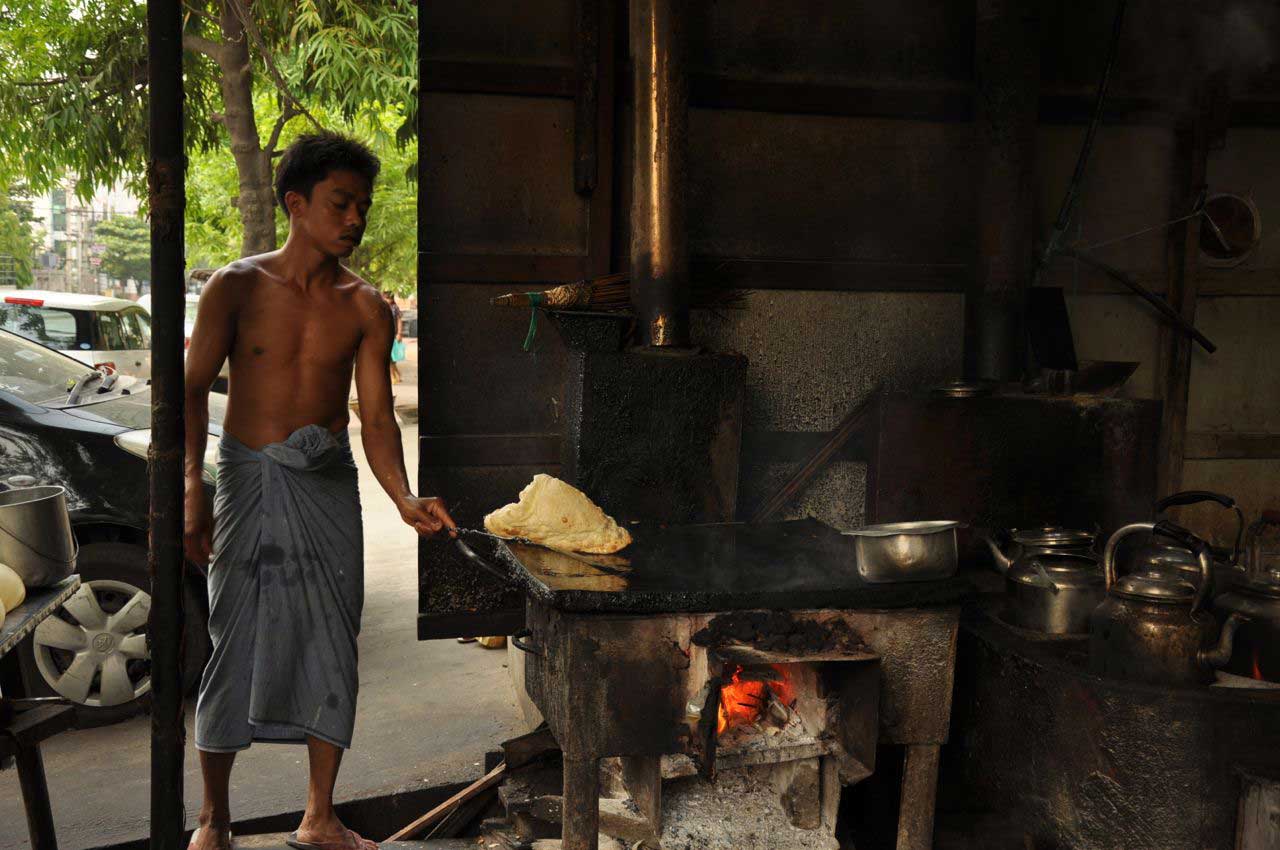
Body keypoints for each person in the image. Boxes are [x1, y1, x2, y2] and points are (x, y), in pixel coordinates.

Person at [183, 132, 456, 850]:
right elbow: (185, 393)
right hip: (246, 480)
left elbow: (374, 418)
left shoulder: (368, 307)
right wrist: (191, 486)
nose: (355, 219)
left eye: (363, 206)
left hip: (327, 485)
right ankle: (213, 818)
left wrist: (401, 496)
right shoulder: (235, 286)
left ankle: (319, 817)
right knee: (232, 641)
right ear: (296, 204)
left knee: (334, 638)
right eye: (341, 203)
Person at [383, 290, 404, 384]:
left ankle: (393, 377)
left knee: (391, 358)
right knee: (389, 358)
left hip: (393, 335)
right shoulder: (381, 307)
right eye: (386, 298)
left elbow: (399, 320)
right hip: (384, 335)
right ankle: (397, 375)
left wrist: (399, 333)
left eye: (389, 298)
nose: (388, 300)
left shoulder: (395, 308)